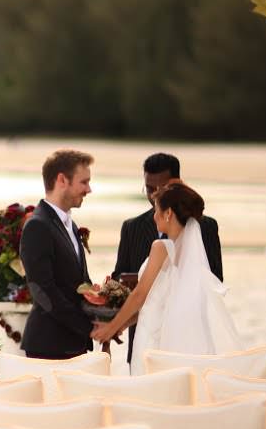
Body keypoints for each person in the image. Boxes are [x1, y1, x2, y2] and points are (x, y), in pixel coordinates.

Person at [94, 182, 241, 356]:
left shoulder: (161, 247)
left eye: (156, 210)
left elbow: (140, 295)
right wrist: (123, 324)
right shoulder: (188, 257)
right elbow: (157, 304)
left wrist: (111, 328)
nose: (154, 216)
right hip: (163, 334)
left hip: (153, 339)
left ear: (168, 213)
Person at [113, 153, 223, 364]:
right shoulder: (132, 228)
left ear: (176, 184)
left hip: (189, 337)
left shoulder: (206, 227)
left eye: (159, 189)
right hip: (144, 339)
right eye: (148, 188)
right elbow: (121, 276)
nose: (153, 195)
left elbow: (215, 282)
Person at [21, 149, 97, 359]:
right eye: (84, 182)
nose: (89, 189)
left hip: (74, 342)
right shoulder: (38, 225)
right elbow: (42, 291)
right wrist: (88, 327)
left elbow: (80, 284)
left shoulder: (70, 225)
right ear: (62, 180)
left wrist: (104, 314)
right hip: (49, 344)